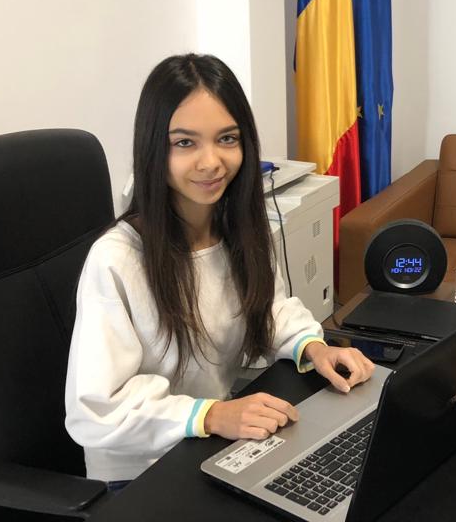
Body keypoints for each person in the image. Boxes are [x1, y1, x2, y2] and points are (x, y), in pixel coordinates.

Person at [65, 53, 374, 486]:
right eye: (185, 143)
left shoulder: (237, 231)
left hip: (214, 443)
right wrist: (211, 415)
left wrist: (314, 348)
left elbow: (268, 308)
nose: (211, 162)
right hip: (141, 472)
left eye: (227, 139)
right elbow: (97, 408)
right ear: (153, 148)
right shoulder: (117, 259)